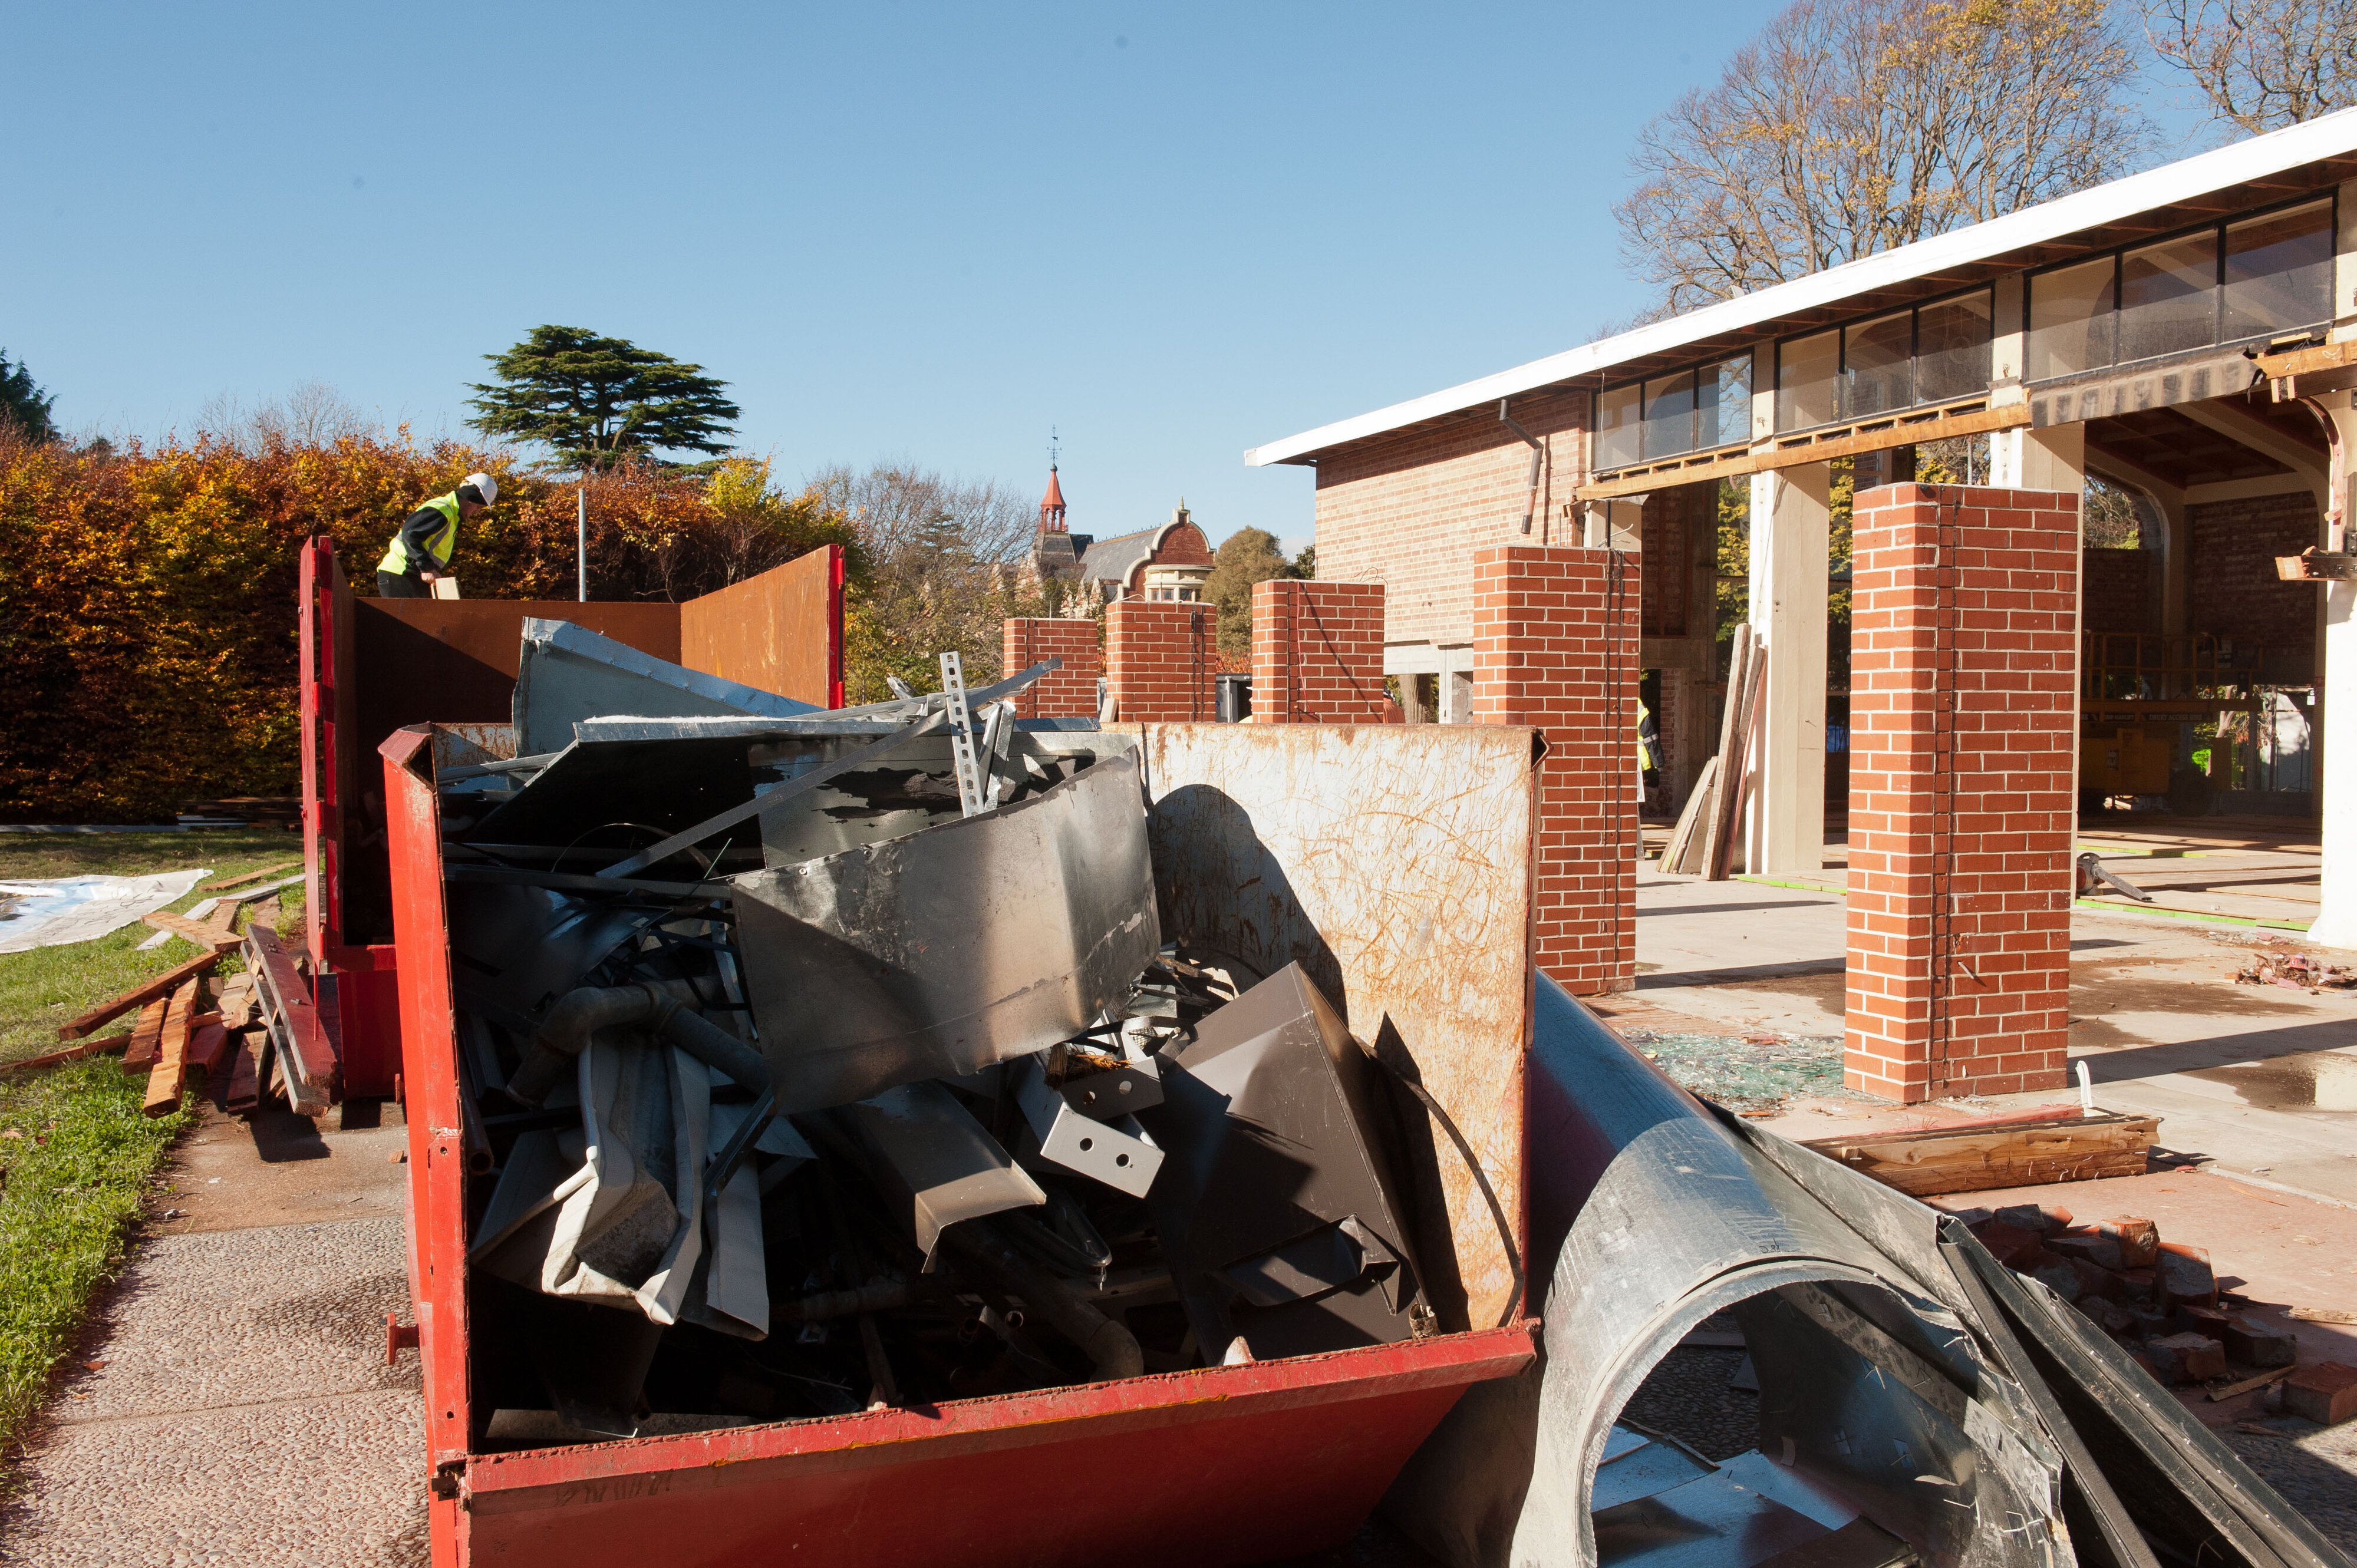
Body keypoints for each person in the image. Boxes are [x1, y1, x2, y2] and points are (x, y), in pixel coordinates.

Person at [377, 472, 497, 598]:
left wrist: (428, 568)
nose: (477, 512)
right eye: (478, 507)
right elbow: (410, 534)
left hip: (410, 575)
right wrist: (427, 568)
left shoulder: (451, 515)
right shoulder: (444, 510)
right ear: (470, 500)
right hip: (401, 573)